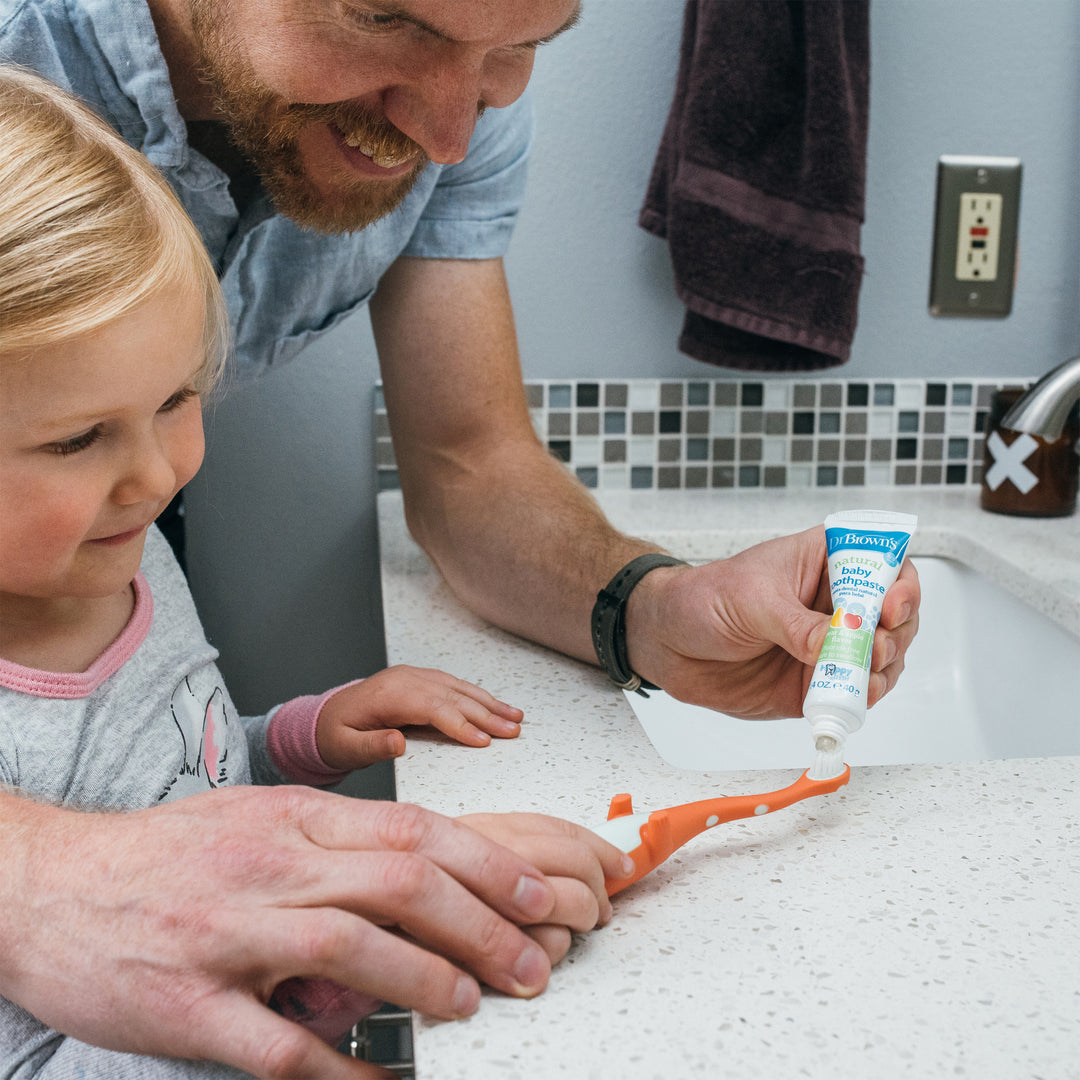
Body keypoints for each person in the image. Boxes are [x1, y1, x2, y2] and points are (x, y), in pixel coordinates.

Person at [0, 0, 922, 1072]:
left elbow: (470, 462)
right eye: (392, 22)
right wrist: (42, 874)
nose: (451, 135)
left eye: (518, 51)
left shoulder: (123, 566)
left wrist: (653, 610)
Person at [0, 64, 631, 1079]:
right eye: (80, 440)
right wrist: (329, 957)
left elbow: (183, 783)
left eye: (176, 400)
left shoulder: (121, 552)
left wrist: (304, 736)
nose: (156, 475)